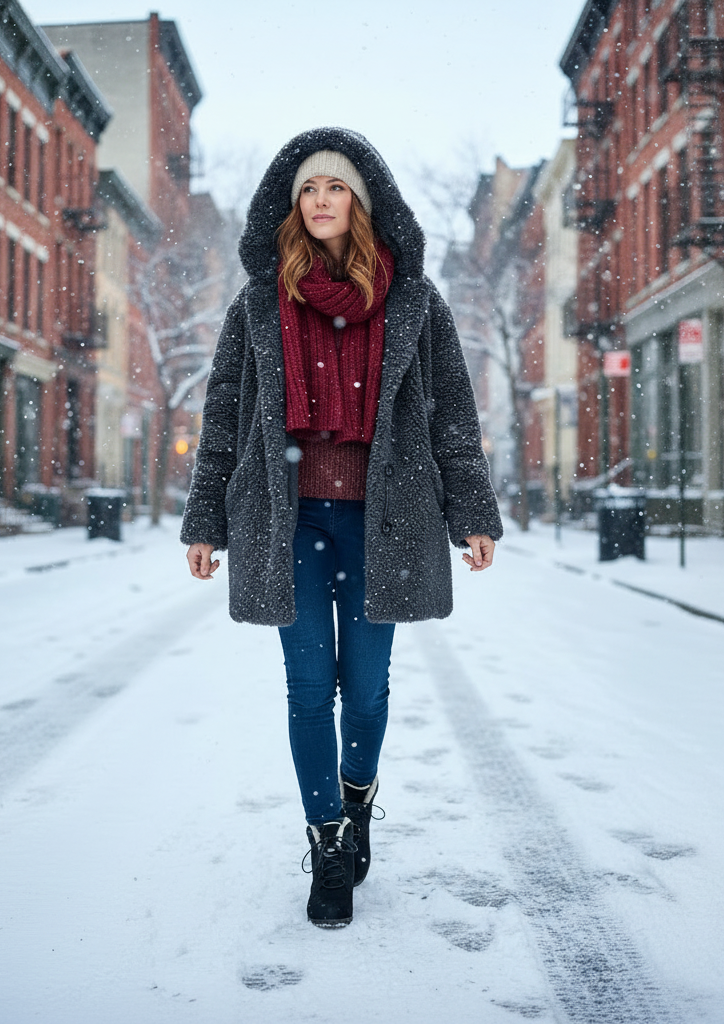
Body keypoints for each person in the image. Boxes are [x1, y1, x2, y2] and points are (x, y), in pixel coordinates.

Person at [181, 127, 502, 928]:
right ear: (292, 209)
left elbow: (452, 417)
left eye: (334, 189)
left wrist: (473, 514)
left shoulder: (415, 306)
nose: (320, 202)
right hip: (285, 520)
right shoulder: (259, 304)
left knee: (365, 692)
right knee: (304, 691)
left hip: (385, 522)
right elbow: (223, 417)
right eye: (307, 192)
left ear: (360, 202)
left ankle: (358, 800)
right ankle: (326, 843)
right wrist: (204, 521)